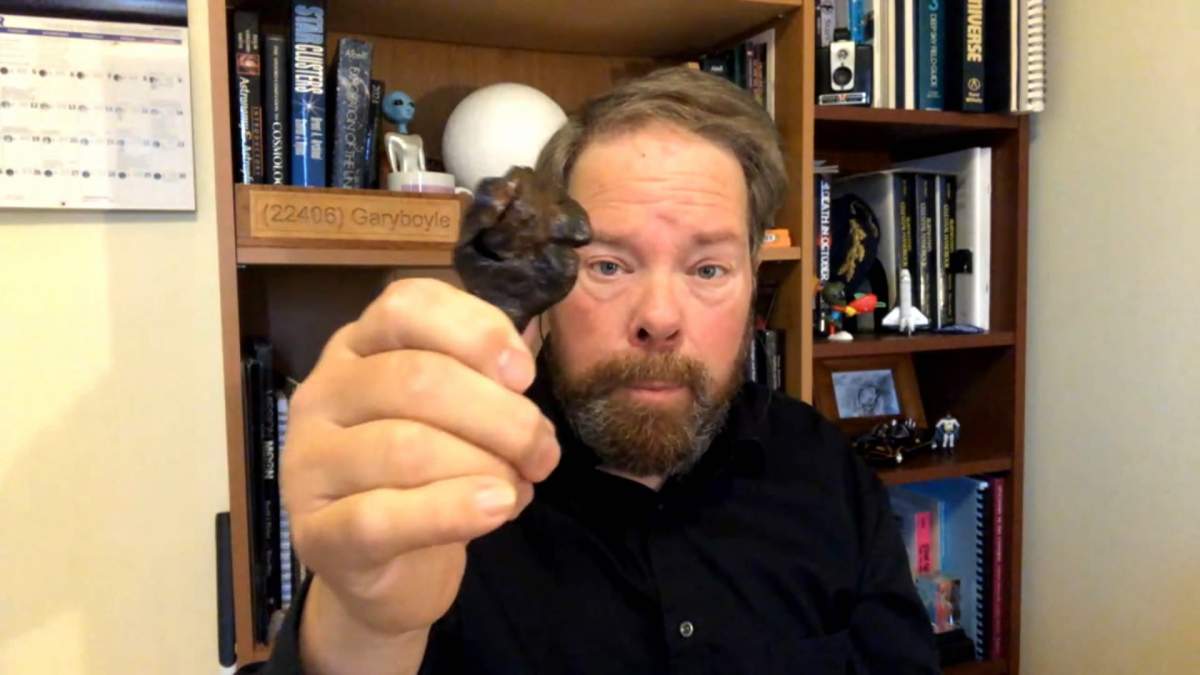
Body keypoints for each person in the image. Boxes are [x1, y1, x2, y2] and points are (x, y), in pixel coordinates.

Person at [262, 67, 938, 675]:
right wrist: (362, 625)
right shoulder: (443, 486)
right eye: (609, 265)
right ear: (551, 282)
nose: (659, 318)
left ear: (754, 281)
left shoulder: (823, 469)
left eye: (708, 269)